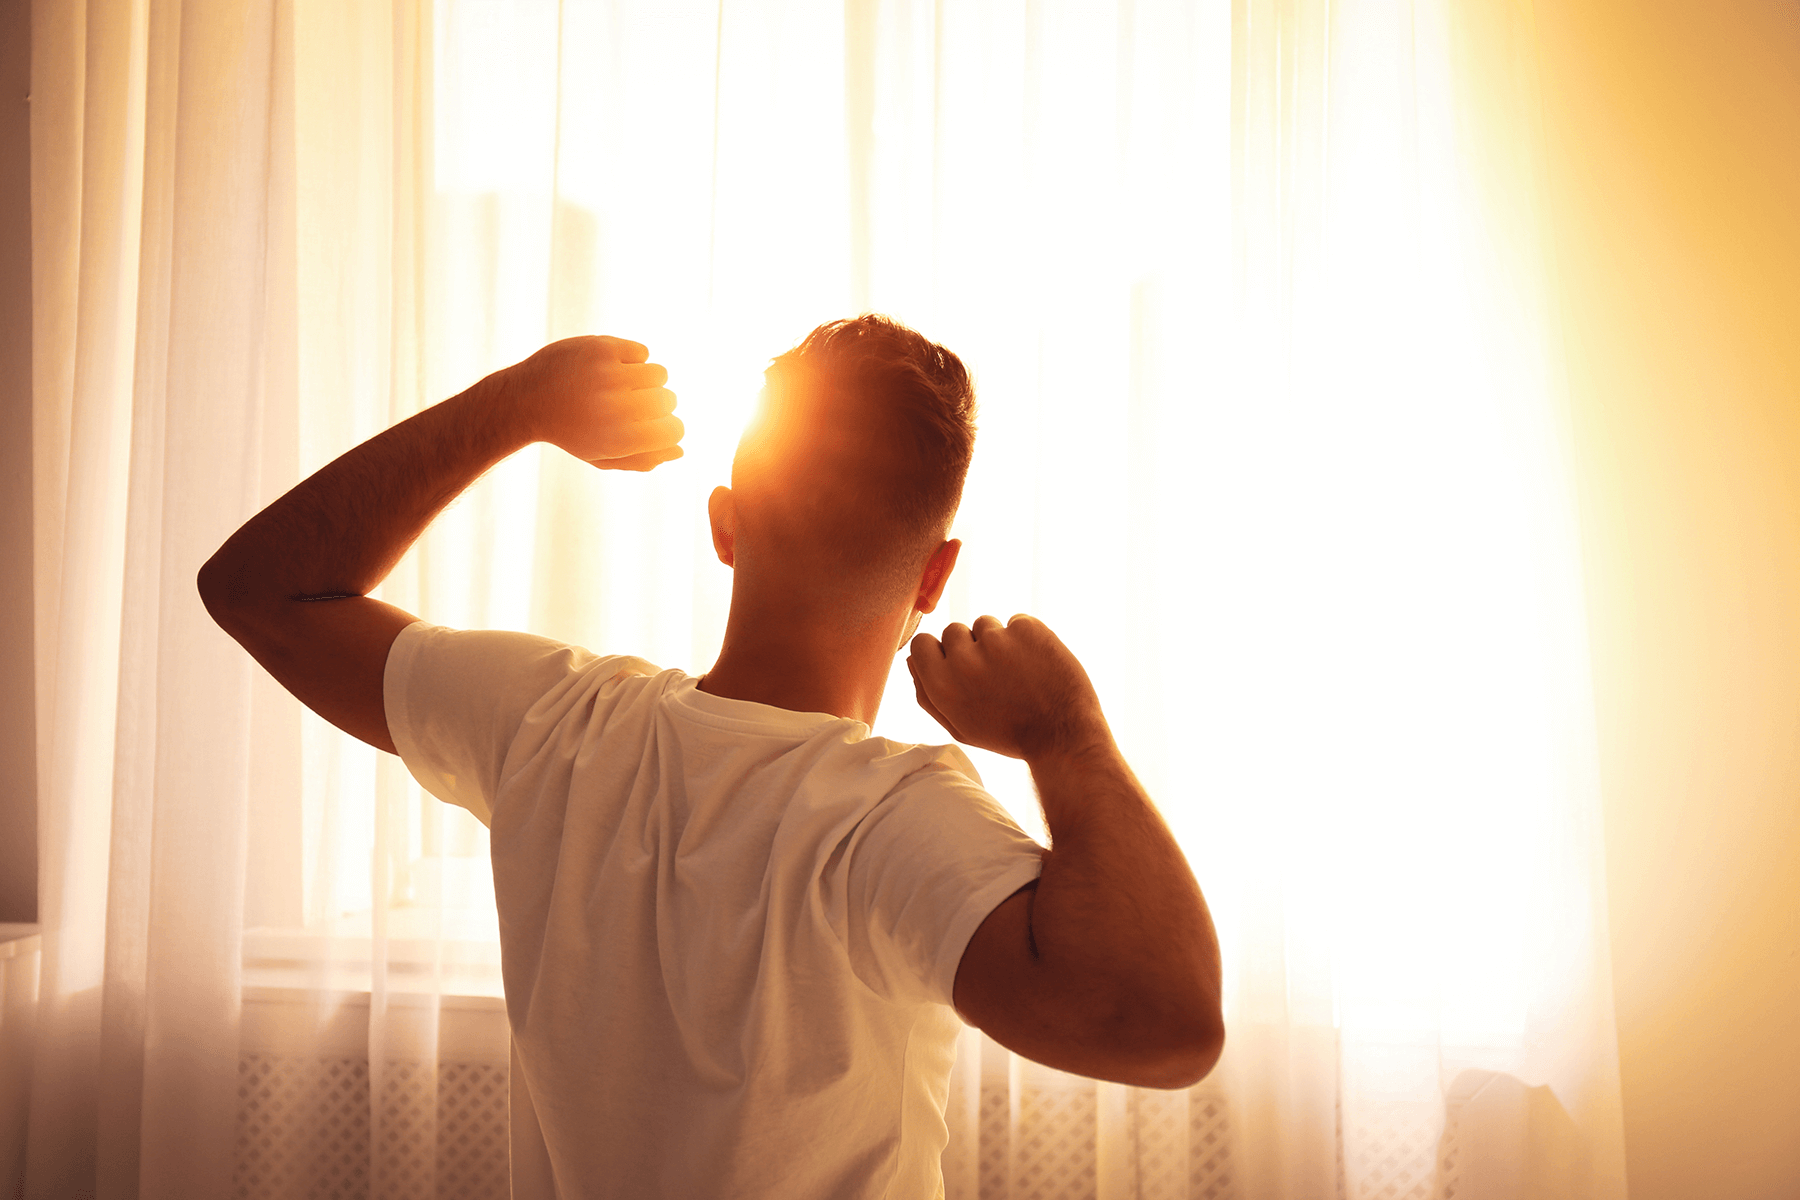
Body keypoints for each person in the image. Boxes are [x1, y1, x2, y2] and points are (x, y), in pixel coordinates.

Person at [198, 315, 1223, 1199]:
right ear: (936, 574)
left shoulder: (548, 723)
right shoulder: (892, 822)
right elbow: (1166, 1025)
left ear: (726, 528)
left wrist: (514, 405)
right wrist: (1065, 732)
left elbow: (257, 588)